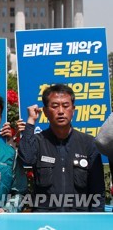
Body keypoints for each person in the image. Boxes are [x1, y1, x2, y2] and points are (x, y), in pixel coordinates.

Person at [18, 84, 105, 212]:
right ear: (46, 112)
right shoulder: (38, 141)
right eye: (54, 106)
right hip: (45, 221)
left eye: (65, 106)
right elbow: (27, 158)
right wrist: (31, 121)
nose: (60, 111)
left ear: (73, 110)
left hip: (78, 220)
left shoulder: (88, 143)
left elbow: (98, 190)